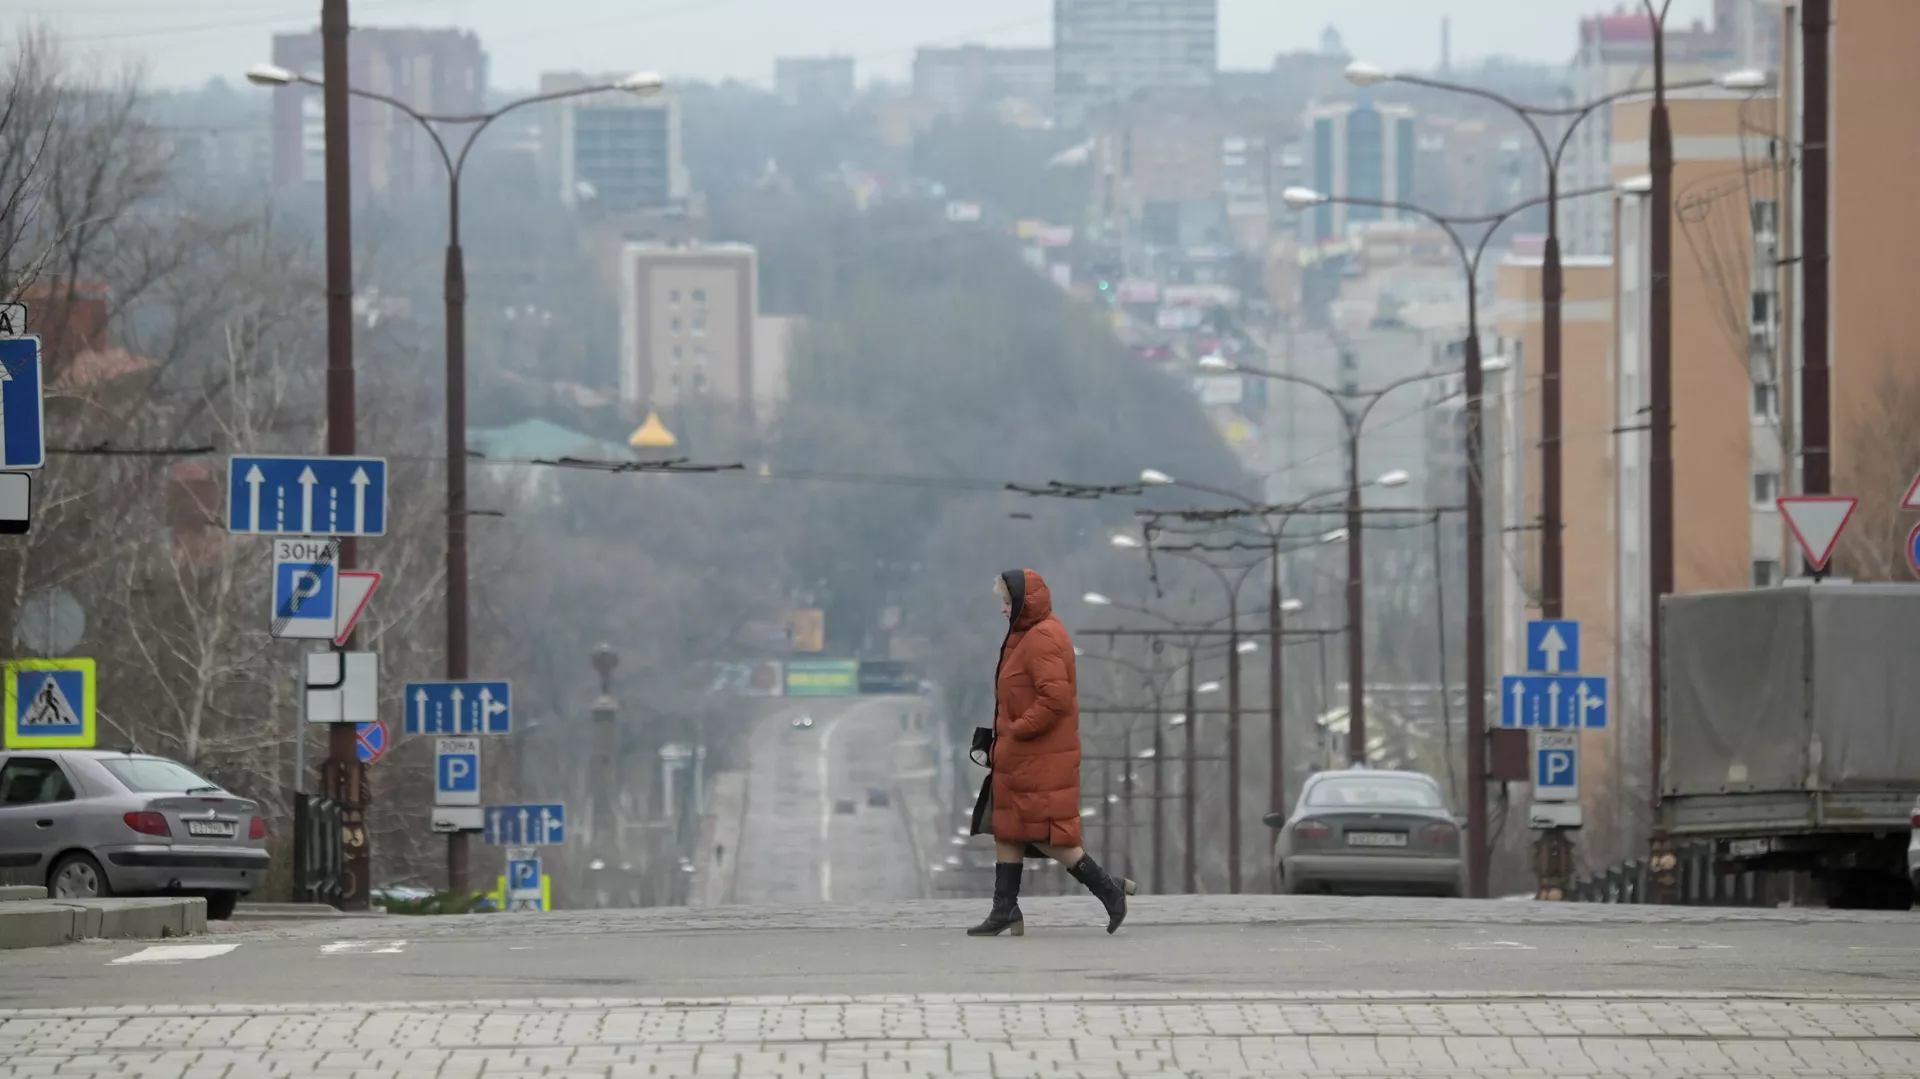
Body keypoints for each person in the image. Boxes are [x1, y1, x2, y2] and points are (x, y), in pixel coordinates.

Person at [969, 568, 1135, 937]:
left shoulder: (1043, 638)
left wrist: (1015, 729)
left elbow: (1054, 700)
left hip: (1038, 756)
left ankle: (1110, 892)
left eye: (1006, 602)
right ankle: (1005, 909)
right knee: (1007, 828)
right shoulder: (1026, 636)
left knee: (1045, 833)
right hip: (1020, 756)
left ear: (1023, 604)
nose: (1002, 610)